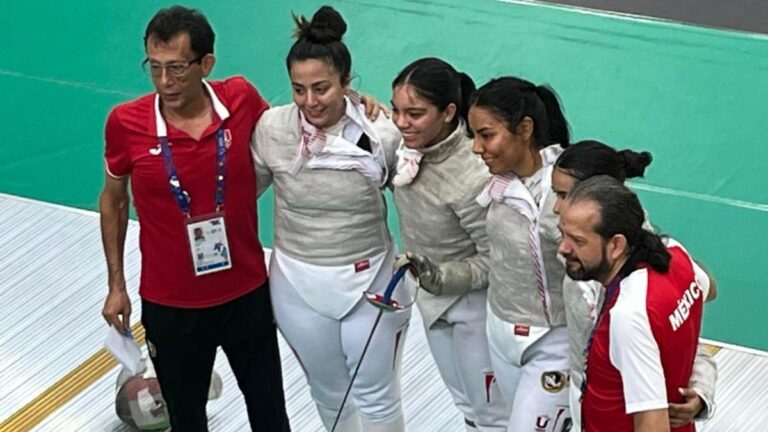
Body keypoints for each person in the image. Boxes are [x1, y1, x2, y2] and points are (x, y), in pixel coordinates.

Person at [99, 6, 290, 431]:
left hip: (246, 293)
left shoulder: (240, 100)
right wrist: (116, 285)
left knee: (271, 415)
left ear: (206, 64)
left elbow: (299, 122)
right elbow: (113, 201)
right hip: (171, 306)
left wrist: (354, 103)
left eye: (178, 69)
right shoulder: (125, 124)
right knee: (186, 421)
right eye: (155, 67)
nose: (165, 82)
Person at [251, 6, 408, 432]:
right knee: (330, 395)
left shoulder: (382, 134)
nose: (310, 101)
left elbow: (417, 202)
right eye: (298, 89)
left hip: (373, 279)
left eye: (321, 88)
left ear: (346, 83)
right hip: (296, 284)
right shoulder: (272, 129)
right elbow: (240, 195)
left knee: (377, 398)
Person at [551, 141, 718, 429]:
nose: (563, 249)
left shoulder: (630, 313)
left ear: (616, 245)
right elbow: (702, 299)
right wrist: (703, 391)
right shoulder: (673, 254)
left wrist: (703, 389)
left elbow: (651, 424)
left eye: (577, 240)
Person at [390, 58, 511, 431]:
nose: (400, 122)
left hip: (476, 307)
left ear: (448, 112)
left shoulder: (473, 175)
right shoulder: (406, 143)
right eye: (395, 110)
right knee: (466, 404)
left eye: (414, 113)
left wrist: (440, 277)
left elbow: (496, 260)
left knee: (494, 416)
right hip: (431, 298)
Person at [468, 77, 572, 431]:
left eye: (487, 135)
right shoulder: (500, 182)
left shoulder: (569, 191)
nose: (476, 148)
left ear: (524, 129)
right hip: (500, 334)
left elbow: (627, 253)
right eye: (474, 136)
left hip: (552, 341)